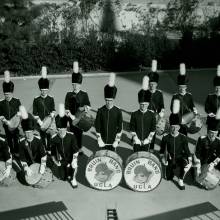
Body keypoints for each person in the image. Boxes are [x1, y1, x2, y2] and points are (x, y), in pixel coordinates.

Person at [160, 99, 192, 190]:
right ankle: (171, 170)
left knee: (186, 165)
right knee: (167, 178)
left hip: (179, 157)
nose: (174, 129)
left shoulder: (183, 137)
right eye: (172, 127)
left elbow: (186, 149)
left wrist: (189, 159)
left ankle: (180, 179)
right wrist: (163, 158)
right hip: (170, 158)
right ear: (170, 127)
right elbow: (162, 150)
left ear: (179, 127)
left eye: (176, 127)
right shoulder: (165, 137)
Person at [65, 61, 91, 155]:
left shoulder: (84, 94)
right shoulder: (68, 94)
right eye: (73, 84)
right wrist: (71, 116)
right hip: (71, 118)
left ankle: (79, 148)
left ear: (80, 84)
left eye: (77, 84)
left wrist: (84, 107)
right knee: (72, 133)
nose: (75, 86)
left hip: (80, 118)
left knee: (79, 134)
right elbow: (66, 108)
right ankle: (73, 148)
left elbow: (88, 105)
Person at [51, 104, 79, 188]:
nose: (60, 131)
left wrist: (74, 160)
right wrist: (56, 162)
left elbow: (76, 150)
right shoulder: (54, 138)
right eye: (58, 129)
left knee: (74, 166)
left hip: (71, 158)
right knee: (62, 178)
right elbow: (52, 153)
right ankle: (65, 169)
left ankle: (73, 178)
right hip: (62, 159)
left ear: (65, 128)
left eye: (62, 129)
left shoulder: (71, 136)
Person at [95, 73, 123, 151]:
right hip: (102, 141)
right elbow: (97, 126)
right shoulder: (100, 111)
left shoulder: (118, 111)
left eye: (110, 100)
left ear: (113, 99)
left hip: (113, 141)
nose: (108, 102)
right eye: (106, 100)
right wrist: (99, 139)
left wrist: (117, 140)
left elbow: (120, 127)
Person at [33, 66, 56, 154]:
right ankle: (43, 147)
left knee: (49, 135)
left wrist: (52, 115)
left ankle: (49, 148)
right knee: (42, 135)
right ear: (40, 89)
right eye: (42, 90)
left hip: (49, 120)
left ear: (48, 90)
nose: (44, 92)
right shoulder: (36, 99)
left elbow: (53, 109)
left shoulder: (51, 98)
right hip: (41, 121)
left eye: (45, 90)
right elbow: (34, 112)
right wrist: (40, 122)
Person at [130, 76, 156, 152]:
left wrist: (148, 139)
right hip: (136, 141)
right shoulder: (134, 114)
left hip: (146, 141)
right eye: (141, 104)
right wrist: (135, 138)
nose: (143, 106)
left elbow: (153, 128)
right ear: (139, 103)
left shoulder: (151, 115)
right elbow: (131, 127)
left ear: (148, 104)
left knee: (145, 157)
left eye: (145, 104)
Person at [19, 106, 47, 177]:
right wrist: (25, 167)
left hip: (38, 159)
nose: (28, 135)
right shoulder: (22, 142)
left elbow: (43, 154)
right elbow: (22, 157)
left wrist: (43, 165)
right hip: (28, 161)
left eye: (29, 132)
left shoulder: (38, 140)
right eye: (26, 133)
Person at [170, 63, 198, 135]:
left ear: (186, 87)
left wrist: (194, 110)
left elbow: (192, 105)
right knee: (176, 136)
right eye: (180, 87)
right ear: (178, 88)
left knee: (184, 136)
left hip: (186, 119)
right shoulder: (175, 96)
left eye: (183, 87)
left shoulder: (189, 96)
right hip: (177, 120)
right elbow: (171, 108)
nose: (182, 89)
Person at [0, 70, 21, 157]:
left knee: (16, 138)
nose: (7, 96)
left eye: (8, 94)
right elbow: (0, 114)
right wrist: (5, 121)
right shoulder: (1, 103)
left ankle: (16, 151)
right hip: (6, 124)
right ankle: (11, 151)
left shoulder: (16, 101)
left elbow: (20, 111)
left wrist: (17, 117)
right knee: (8, 138)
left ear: (12, 93)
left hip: (15, 124)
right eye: (5, 94)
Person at [145, 60, 165, 149]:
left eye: (153, 84)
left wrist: (161, 113)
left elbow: (162, 105)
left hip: (155, 115)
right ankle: (144, 145)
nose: (152, 85)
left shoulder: (159, 93)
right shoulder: (145, 92)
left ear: (156, 84)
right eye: (150, 84)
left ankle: (152, 147)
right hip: (145, 114)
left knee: (152, 132)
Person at [205, 65, 220, 134]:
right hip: (211, 121)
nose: (218, 89)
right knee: (210, 139)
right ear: (214, 88)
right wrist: (210, 113)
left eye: (219, 88)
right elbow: (207, 107)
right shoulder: (210, 96)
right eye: (216, 88)